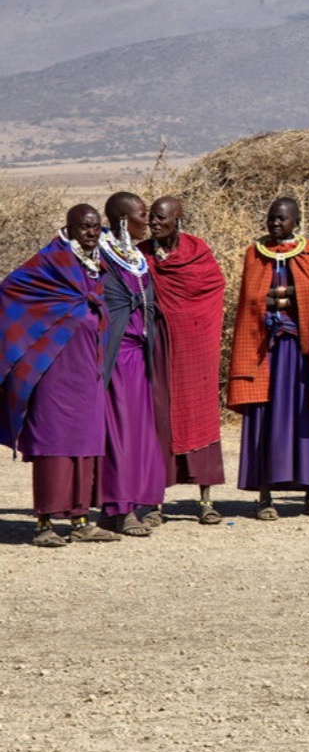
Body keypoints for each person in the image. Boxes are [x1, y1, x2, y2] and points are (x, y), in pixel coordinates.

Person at [0, 205, 119, 547]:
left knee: (85, 442)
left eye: (96, 227)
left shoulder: (98, 263)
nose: (91, 232)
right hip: (53, 366)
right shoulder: (50, 261)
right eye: (84, 227)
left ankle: (81, 520)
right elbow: (11, 290)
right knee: (52, 442)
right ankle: (44, 523)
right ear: (69, 227)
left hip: (87, 367)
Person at [228, 197, 309, 519]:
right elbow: (250, 299)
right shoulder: (254, 254)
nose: (276, 224)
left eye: (283, 219)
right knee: (264, 417)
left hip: (300, 351)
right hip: (265, 350)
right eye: (272, 218)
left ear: (296, 221)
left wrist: (284, 296)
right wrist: (271, 299)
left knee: (304, 419)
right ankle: (264, 497)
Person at [141, 196, 227, 525]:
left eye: (162, 218)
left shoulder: (197, 252)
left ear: (177, 219)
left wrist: (194, 326)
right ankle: (154, 503)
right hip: (158, 345)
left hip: (195, 346)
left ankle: (206, 500)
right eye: (152, 218)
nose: (155, 223)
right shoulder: (142, 254)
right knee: (159, 418)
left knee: (200, 413)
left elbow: (212, 288)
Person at [96, 192, 168, 537]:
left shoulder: (134, 256)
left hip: (139, 356)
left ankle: (130, 506)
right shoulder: (100, 255)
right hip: (117, 358)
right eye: (142, 214)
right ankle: (119, 508)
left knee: (139, 433)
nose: (148, 220)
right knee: (119, 434)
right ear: (124, 220)